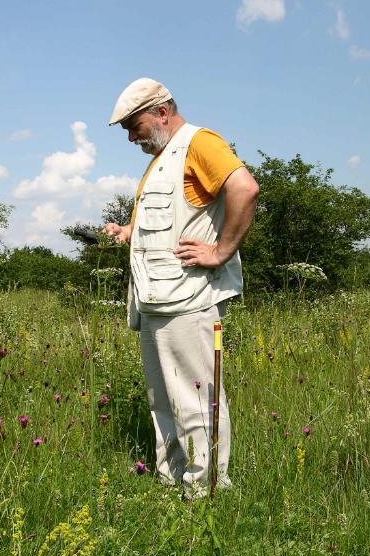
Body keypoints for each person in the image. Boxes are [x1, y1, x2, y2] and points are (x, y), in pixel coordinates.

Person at [103, 77, 259, 498]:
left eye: (133, 126)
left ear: (162, 112)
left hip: (188, 301)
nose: (131, 137)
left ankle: (205, 489)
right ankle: (173, 481)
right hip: (155, 302)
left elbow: (245, 188)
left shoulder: (200, 142)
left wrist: (221, 251)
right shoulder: (161, 159)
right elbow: (173, 218)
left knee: (194, 400)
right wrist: (129, 230)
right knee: (162, 400)